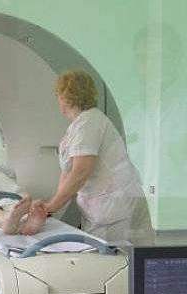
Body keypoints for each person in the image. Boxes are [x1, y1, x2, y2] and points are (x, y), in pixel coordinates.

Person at [40, 70, 155, 246]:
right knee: (134, 256)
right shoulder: (79, 125)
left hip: (114, 206)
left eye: (59, 96)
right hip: (111, 204)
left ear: (66, 98)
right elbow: (68, 173)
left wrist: (52, 206)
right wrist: (51, 208)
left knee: (114, 258)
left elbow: (80, 172)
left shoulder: (89, 122)